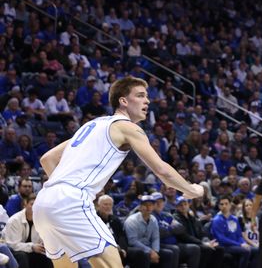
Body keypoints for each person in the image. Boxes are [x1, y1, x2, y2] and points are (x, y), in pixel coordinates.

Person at [32, 76, 204, 268]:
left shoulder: (91, 125)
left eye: (147, 97)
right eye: (140, 96)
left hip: (43, 202)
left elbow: (47, 159)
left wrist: (61, 191)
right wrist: (191, 189)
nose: (147, 100)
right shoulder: (128, 127)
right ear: (123, 100)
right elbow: (162, 170)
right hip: (70, 200)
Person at [124, 194, 177, 268]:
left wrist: (155, 251)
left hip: (148, 247)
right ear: (140, 207)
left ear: (153, 206)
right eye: (145, 205)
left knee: (168, 254)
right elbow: (133, 241)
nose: (148, 207)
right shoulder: (132, 220)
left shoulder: (153, 219)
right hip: (134, 248)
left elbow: (155, 237)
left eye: (151, 205)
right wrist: (150, 251)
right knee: (145, 255)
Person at [96, 194, 147, 268]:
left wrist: (123, 249)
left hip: (119, 248)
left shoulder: (115, 219)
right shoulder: (94, 220)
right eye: (105, 204)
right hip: (104, 249)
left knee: (140, 254)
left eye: (110, 204)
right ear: (99, 206)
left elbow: (121, 236)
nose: (108, 207)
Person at [2, 193, 49, 268]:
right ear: (25, 205)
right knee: (22, 256)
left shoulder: (41, 220)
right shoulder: (14, 220)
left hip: (29, 250)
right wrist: (32, 247)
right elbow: (13, 245)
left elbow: (41, 241)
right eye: (32, 204)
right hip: (10, 251)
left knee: (45, 257)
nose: (35, 207)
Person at [209, 196, 256, 268]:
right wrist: (240, 244)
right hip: (224, 246)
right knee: (246, 251)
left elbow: (239, 235)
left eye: (226, 203)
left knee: (257, 250)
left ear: (230, 205)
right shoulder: (216, 220)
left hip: (236, 245)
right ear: (219, 206)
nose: (224, 206)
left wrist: (243, 243)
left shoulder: (234, 219)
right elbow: (221, 239)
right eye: (221, 204)